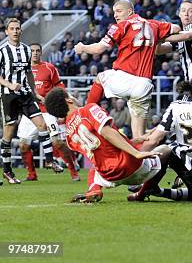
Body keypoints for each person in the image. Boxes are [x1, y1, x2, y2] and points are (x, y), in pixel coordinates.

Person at [74, 0, 192, 138]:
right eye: (114, 12)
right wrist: (159, 38)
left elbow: (99, 48)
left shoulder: (121, 26)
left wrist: (82, 47)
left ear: (130, 11)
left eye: (119, 11)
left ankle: (86, 117)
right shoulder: (153, 24)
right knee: (139, 136)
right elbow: (176, 28)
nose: (115, 15)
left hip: (125, 78)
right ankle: (147, 153)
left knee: (100, 77)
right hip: (144, 85)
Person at [43, 87, 168, 203]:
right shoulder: (88, 109)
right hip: (130, 166)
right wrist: (136, 152)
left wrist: (137, 140)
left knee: (94, 167)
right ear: (69, 99)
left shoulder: (69, 135)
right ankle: (143, 193)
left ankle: (94, 189)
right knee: (167, 150)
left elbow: (104, 146)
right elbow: (107, 133)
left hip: (108, 176)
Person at [0, 19, 63, 185]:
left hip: (26, 95)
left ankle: (49, 160)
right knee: (8, 134)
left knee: (42, 125)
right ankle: (7, 171)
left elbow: (28, 73)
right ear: (7, 31)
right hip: (9, 96)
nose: (15, 31)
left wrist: (34, 92)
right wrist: (9, 84)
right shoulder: (2, 50)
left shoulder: (27, 50)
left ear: (21, 31)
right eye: (12, 29)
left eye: (17, 29)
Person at [16, 43, 80, 181]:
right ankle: (32, 175)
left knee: (57, 142)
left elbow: (59, 87)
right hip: (29, 110)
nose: (35, 53)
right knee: (23, 144)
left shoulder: (49, 68)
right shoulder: (22, 70)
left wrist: (64, 102)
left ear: (41, 52)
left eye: (38, 50)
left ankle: (73, 171)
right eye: (32, 51)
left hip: (47, 110)